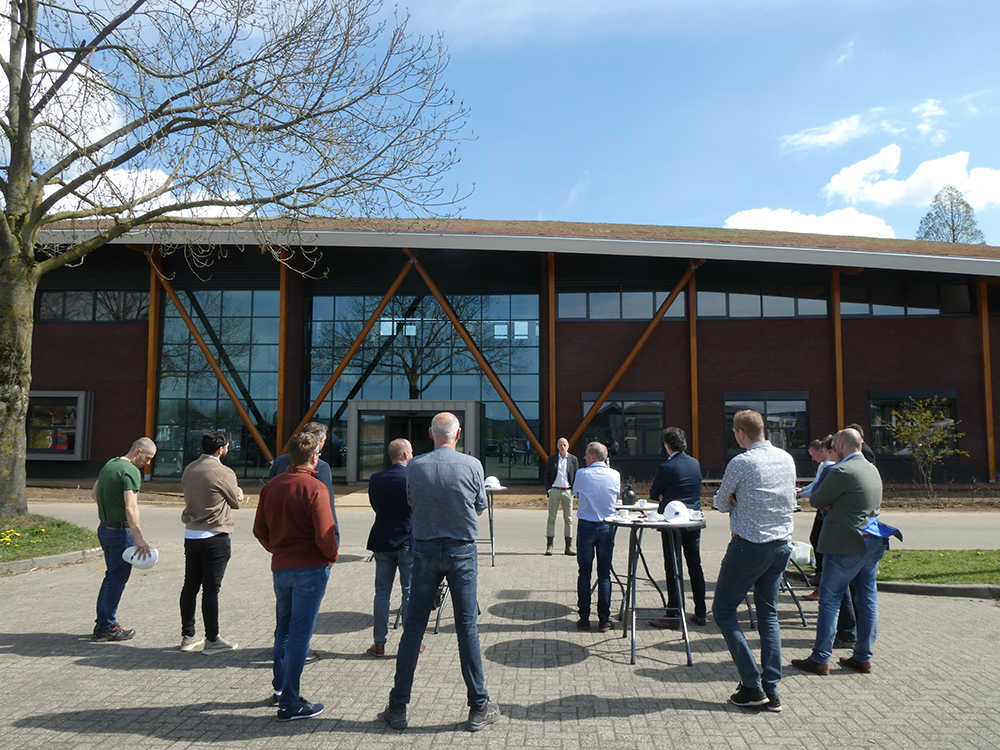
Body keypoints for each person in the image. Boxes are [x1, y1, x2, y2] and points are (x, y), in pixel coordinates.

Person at [381, 413, 499, 733]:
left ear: (431, 434)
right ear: (458, 434)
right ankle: (478, 705)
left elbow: (412, 502)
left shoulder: (415, 467)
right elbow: (479, 505)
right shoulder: (473, 465)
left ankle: (399, 706)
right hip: (462, 551)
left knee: (413, 629)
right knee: (466, 629)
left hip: (425, 551)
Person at [712, 410, 797, 712]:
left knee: (723, 610)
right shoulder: (786, 458)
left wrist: (735, 500)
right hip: (781, 545)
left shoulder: (741, 462)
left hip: (749, 545)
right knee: (768, 615)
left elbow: (720, 502)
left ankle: (751, 684)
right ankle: (772, 689)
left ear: (740, 433)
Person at [254, 431, 338, 722]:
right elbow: (325, 533)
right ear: (314, 456)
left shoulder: (272, 486)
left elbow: (259, 529)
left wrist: (276, 549)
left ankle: (281, 689)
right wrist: (331, 557)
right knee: (300, 634)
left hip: (281, 567)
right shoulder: (315, 488)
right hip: (310, 568)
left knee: (284, 630)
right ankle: (289, 701)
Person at [792, 428, 887, 677]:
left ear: (842, 445)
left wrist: (830, 503)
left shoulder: (841, 470)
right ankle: (863, 656)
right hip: (872, 540)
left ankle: (821, 658)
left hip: (845, 544)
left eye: (833, 446)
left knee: (830, 599)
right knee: (867, 600)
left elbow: (815, 500)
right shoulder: (871, 468)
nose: (831, 450)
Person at [179, 430, 244, 653]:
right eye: (226, 446)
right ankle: (212, 639)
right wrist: (240, 496)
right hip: (214, 535)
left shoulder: (190, 468)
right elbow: (235, 503)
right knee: (211, 589)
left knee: (190, 586)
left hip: (191, 534)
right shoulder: (224, 472)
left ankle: (188, 635)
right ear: (221, 449)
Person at [91, 437, 157, 642]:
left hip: (104, 528)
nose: (148, 463)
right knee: (116, 580)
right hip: (121, 532)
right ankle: (107, 627)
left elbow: (94, 493)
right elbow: (131, 506)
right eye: (148, 458)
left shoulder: (110, 465)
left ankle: (103, 623)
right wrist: (139, 538)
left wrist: (110, 506)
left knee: (111, 577)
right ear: (138, 451)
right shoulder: (131, 472)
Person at [648, 427, 706, 629]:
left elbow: (654, 493)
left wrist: (664, 495)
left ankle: (673, 614)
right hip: (693, 520)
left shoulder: (667, 467)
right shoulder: (695, 462)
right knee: (695, 565)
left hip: (672, 522)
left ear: (667, 445)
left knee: (672, 566)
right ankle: (700, 611)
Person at [366, 438, 415, 657]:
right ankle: (411, 643)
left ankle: (379, 643)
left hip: (382, 540)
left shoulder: (376, 479)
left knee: (382, 594)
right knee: (409, 593)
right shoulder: (413, 478)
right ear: (405, 455)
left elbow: (375, 506)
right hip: (407, 540)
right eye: (411, 452)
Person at [572, 441, 621, 634]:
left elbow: (576, 493)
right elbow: (616, 496)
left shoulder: (582, 474)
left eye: (586, 454)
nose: (583, 457)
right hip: (607, 526)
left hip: (586, 524)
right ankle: (604, 619)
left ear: (593, 457)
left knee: (584, 572)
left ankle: (584, 618)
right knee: (604, 574)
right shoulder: (615, 474)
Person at [268, 421, 339, 546]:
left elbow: (268, 503)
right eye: (323, 441)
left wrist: (271, 542)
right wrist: (334, 540)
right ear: (316, 443)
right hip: (310, 541)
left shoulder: (279, 461)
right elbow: (327, 507)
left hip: (281, 540)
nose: (324, 444)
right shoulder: (321, 467)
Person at [543, 437, 578, 556]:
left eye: (564, 445)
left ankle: (568, 547)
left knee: (568, 519)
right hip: (554, 491)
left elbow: (576, 476)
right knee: (551, 518)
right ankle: (549, 546)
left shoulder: (573, 459)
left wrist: (573, 491)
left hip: (568, 492)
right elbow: (546, 476)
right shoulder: (552, 459)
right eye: (560, 445)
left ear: (568, 446)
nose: (562, 447)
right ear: (557, 446)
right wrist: (549, 490)